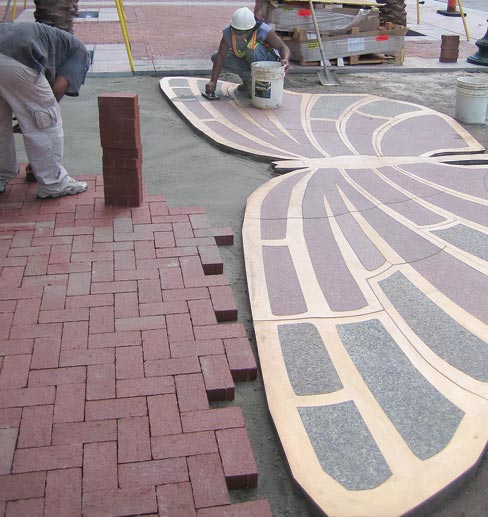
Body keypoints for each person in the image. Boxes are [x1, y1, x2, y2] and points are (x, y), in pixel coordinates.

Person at [0, 22, 90, 198]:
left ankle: (0, 175)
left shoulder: (50, 38)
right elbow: (57, 90)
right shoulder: (80, 52)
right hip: (15, 58)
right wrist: (33, 115)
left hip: (10, 51)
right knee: (46, 119)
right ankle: (53, 183)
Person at [205, 7, 290, 97]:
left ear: (251, 29)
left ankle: (261, 85)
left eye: (242, 33)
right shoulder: (228, 32)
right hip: (248, 61)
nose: (238, 36)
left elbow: (283, 47)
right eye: (236, 32)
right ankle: (249, 81)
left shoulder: (263, 30)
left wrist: (285, 59)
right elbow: (221, 56)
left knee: (253, 49)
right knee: (216, 57)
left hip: (266, 63)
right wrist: (213, 82)